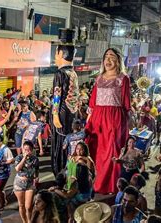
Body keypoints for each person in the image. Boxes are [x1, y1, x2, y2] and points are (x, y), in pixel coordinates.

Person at [85, 48, 130, 194]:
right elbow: (92, 103)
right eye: (106, 57)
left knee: (112, 152)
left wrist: (125, 123)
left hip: (114, 119)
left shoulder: (123, 78)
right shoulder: (98, 78)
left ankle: (111, 186)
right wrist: (88, 121)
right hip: (97, 118)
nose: (108, 60)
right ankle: (94, 183)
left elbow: (126, 104)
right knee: (95, 150)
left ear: (118, 61)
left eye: (112, 57)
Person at [50, 30, 80, 177]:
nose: (55, 57)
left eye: (56, 54)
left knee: (60, 143)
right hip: (71, 113)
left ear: (61, 54)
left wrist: (54, 114)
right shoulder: (73, 73)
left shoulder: (60, 73)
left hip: (61, 112)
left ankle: (60, 172)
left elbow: (57, 95)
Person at [14, 141, 40, 223]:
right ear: (22, 149)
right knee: (21, 205)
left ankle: (29, 221)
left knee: (28, 206)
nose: (26, 151)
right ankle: (24, 221)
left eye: (28, 150)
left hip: (29, 183)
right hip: (19, 183)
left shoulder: (35, 159)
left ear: (32, 150)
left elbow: (36, 170)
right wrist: (24, 158)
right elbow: (17, 169)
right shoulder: (18, 157)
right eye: (25, 149)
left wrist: (36, 177)